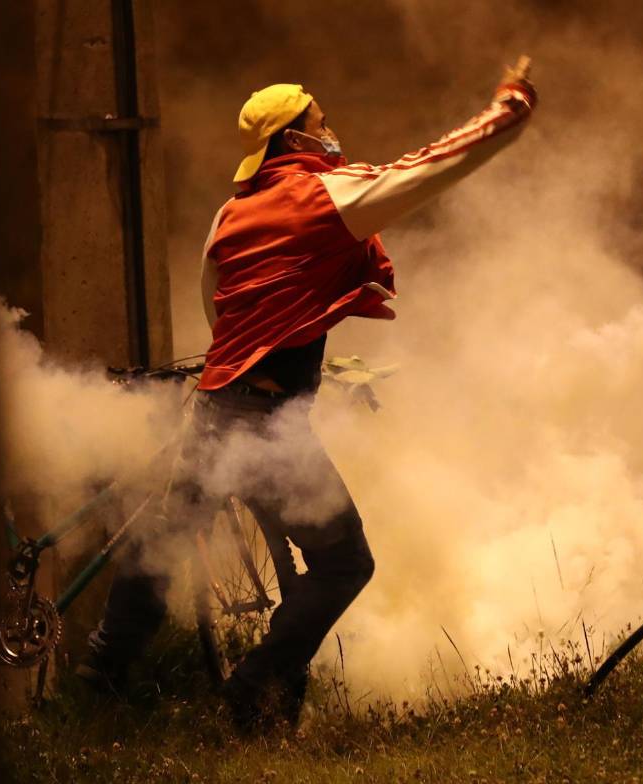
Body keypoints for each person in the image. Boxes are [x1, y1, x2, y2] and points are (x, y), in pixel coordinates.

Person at [77, 59, 537, 729]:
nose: (330, 131)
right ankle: (252, 690)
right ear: (293, 139)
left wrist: (284, 343)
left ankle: (98, 680)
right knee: (344, 564)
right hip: (265, 425)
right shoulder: (325, 196)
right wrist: (510, 106)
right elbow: (429, 167)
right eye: (321, 122)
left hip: (215, 407)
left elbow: (221, 312)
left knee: (163, 545)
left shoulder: (231, 213)